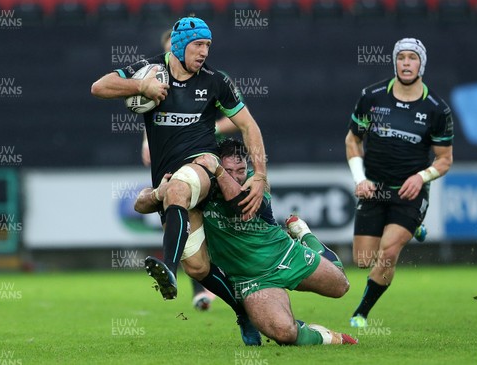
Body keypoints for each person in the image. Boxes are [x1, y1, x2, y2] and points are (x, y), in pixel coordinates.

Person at [91, 17, 266, 345]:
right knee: (199, 268)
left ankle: (167, 268)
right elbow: (99, 87)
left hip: (204, 166)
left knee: (178, 188)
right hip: (168, 179)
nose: (204, 52)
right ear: (179, 44)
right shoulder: (150, 70)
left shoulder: (216, 80)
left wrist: (261, 176)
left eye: (208, 46)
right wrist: (140, 87)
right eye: (199, 45)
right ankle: (244, 312)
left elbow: (249, 126)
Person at [136, 138, 357, 345]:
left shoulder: (255, 183)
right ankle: (327, 337)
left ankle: (305, 236)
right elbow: (140, 205)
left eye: (240, 170)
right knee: (284, 333)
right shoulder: (205, 187)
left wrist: (220, 172)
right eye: (229, 170)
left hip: (285, 255)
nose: (236, 176)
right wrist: (160, 193)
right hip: (252, 280)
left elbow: (241, 206)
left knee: (341, 286)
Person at [344, 38, 453, 327]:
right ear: (395, 62)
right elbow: (353, 139)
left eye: (412, 58)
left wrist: (421, 177)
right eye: (401, 57)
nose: (406, 63)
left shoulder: (436, 109)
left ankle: (361, 313)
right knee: (363, 259)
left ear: (422, 64)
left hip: (410, 192)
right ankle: (415, 227)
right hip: (374, 189)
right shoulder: (372, 97)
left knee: (389, 251)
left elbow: (444, 159)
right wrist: (360, 179)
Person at [139, 28, 237, 312]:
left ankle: (258, 277)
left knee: (220, 224)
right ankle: (239, 307)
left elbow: (240, 120)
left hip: (208, 161)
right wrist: (147, 140)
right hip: (171, 164)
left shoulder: (213, 80)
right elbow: (153, 115)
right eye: (169, 49)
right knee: (194, 259)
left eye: (203, 46)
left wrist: (204, 127)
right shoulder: (157, 80)